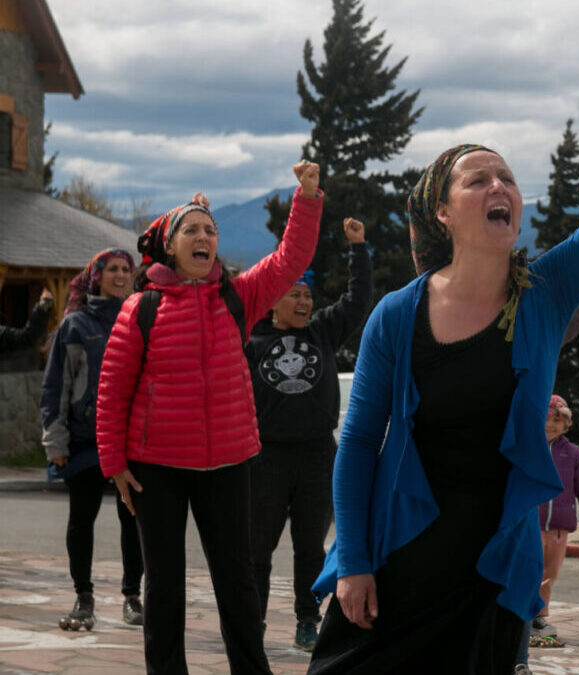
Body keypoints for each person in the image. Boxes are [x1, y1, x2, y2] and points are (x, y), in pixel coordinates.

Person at [307, 37, 579, 674]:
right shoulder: (397, 315)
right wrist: (352, 561)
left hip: (493, 567)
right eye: (478, 178)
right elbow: (357, 446)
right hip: (397, 555)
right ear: (443, 211)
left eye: (508, 179)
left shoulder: (545, 293)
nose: (500, 187)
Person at [95, 162, 323, 675]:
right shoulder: (141, 308)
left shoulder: (237, 296)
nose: (204, 237)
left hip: (228, 461)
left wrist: (306, 199)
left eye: (211, 231)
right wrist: (114, 462)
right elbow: (112, 389)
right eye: (192, 230)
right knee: (165, 583)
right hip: (156, 467)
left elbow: (291, 260)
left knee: (237, 580)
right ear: (170, 247)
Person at [247, 216, 373, 651]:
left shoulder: (321, 330)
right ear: (272, 301)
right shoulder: (251, 339)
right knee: (256, 549)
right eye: (293, 294)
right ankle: (254, 621)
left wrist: (357, 248)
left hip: (318, 454)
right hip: (264, 457)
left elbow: (357, 302)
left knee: (309, 548)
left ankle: (306, 620)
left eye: (307, 295)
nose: (303, 302)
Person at [40, 249, 144, 631]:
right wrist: (56, 444)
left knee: (133, 521)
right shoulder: (75, 325)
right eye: (112, 269)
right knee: (81, 521)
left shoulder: (142, 317)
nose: (120, 275)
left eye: (126, 269)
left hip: (133, 443)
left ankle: (132, 596)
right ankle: (83, 596)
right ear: (95, 277)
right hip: (85, 444)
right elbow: (55, 388)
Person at [531, 394, 579, 640]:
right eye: (545, 418)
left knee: (549, 574)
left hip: (558, 530)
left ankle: (539, 618)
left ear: (567, 424)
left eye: (557, 419)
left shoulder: (573, 454)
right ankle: (521, 615)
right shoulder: (528, 448)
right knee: (528, 569)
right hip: (528, 524)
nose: (550, 424)